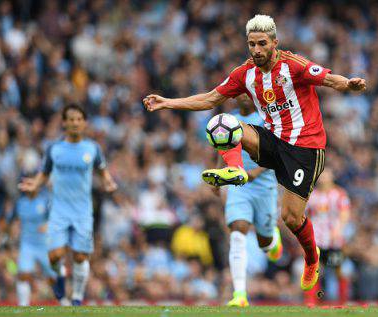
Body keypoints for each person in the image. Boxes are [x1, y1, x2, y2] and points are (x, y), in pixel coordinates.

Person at [143, 14, 366, 291]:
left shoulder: (293, 65)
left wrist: (349, 84)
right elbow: (210, 99)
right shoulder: (244, 73)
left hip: (305, 148)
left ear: (274, 42)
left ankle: (311, 258)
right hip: (272, 140)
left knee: (291, 218)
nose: (257, 50)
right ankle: (236, 170)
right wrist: (168, 103)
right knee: (222, 124)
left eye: (262, 43)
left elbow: (330, 79)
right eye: (252, 44)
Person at [18, 104, 117, 306]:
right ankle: (60, 278)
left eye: (78, 119)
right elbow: (44, 174)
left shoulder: (93, 148)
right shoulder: (54, 149)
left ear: (84, 123)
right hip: (59, 209)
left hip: (82, 210)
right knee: (55, 255)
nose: (74, 123)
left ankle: (77, 298)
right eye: (70, 119)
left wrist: (108, 181)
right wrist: (34, 185)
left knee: (80, 256)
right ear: (64, 122)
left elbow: (102, 169)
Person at [214, 94, 282, 307]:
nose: (244, 95)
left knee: (263, 243)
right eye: (240, 91)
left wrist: (255, 173)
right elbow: (222, 147)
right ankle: (240, 295)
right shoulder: (228, 120)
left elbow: (278, 155)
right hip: (239, 186)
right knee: (237, 230)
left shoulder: (266, 122)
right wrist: (218, 174)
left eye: (248, 91)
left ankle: (273, 240)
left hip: (265, 187)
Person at [4, 179, 57, 306]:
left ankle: (62, 302)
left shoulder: (45, 200)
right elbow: (9, 221)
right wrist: (11, 232)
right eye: (25, 184)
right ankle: (24, 307)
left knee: (53, 277)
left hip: (44, 245)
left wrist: (48, 225)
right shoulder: (20, 203)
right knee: (23, 274)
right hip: (27, 244)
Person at [305, 167, 351, 302]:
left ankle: (343, 299)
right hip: (317, 239)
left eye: (326, 174)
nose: (323, 177)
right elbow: (304, 214)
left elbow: (345, 213)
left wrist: (339, 230)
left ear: (332, 176)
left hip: (333, 239)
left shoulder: (339, 194)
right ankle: (311, 300)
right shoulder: (312, 194)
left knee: (338, 268)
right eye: (321, 174)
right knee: (314, 269)